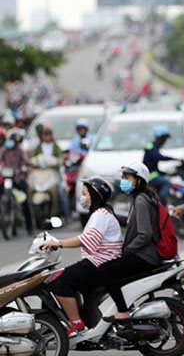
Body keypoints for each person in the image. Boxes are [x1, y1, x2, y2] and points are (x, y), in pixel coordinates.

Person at [43, 177, 122, 336]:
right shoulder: (101, 213)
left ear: (94, 195)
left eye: (85, 193)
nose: (82, 197)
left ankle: (76, 324)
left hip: (100, 264)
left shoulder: (101, 214)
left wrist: (59, 243)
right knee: (69, 279)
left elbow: (87, 239)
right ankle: (79, 318)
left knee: (58, 281)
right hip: (99, 262)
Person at [97, 162, 163, 321]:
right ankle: (129, 308)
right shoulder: (141, 198)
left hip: (146, 256)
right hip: (145, 254)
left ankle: (123, 311)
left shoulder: (141, 200)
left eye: (127, 177)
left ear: (139, 180)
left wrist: (126, 251)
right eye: (122, 177)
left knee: (104, 271)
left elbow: (144, 234)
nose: (123, 180)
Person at [31, 126, 71, 220]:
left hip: (54, 173)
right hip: (41, 174)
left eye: (48, 135)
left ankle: (66, 215)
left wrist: (59, 161)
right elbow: (32, 157)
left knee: (61, 192)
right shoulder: (38, 147)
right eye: (45, 135)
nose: (47, 137)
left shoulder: (55, 146)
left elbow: (61, 158)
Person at [0, 133, 33, 235]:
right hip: (7, 178)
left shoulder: (20, 151)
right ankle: (9, 225)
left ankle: (29, 227)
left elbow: (27, 163)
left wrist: (25, 169)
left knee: (24, 202)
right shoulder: (4, 150)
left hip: (18, 179)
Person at [143, 125, 178, 200]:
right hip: (150, 178)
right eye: (164, 139)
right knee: (167, 183)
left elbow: (156, 169)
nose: (165, 141)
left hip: (153, 175)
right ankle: (160, 202)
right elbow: (158, 157)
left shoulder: (155, 148)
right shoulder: (150, 146)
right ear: (160, 138)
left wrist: (168, 174)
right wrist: (175, 159)